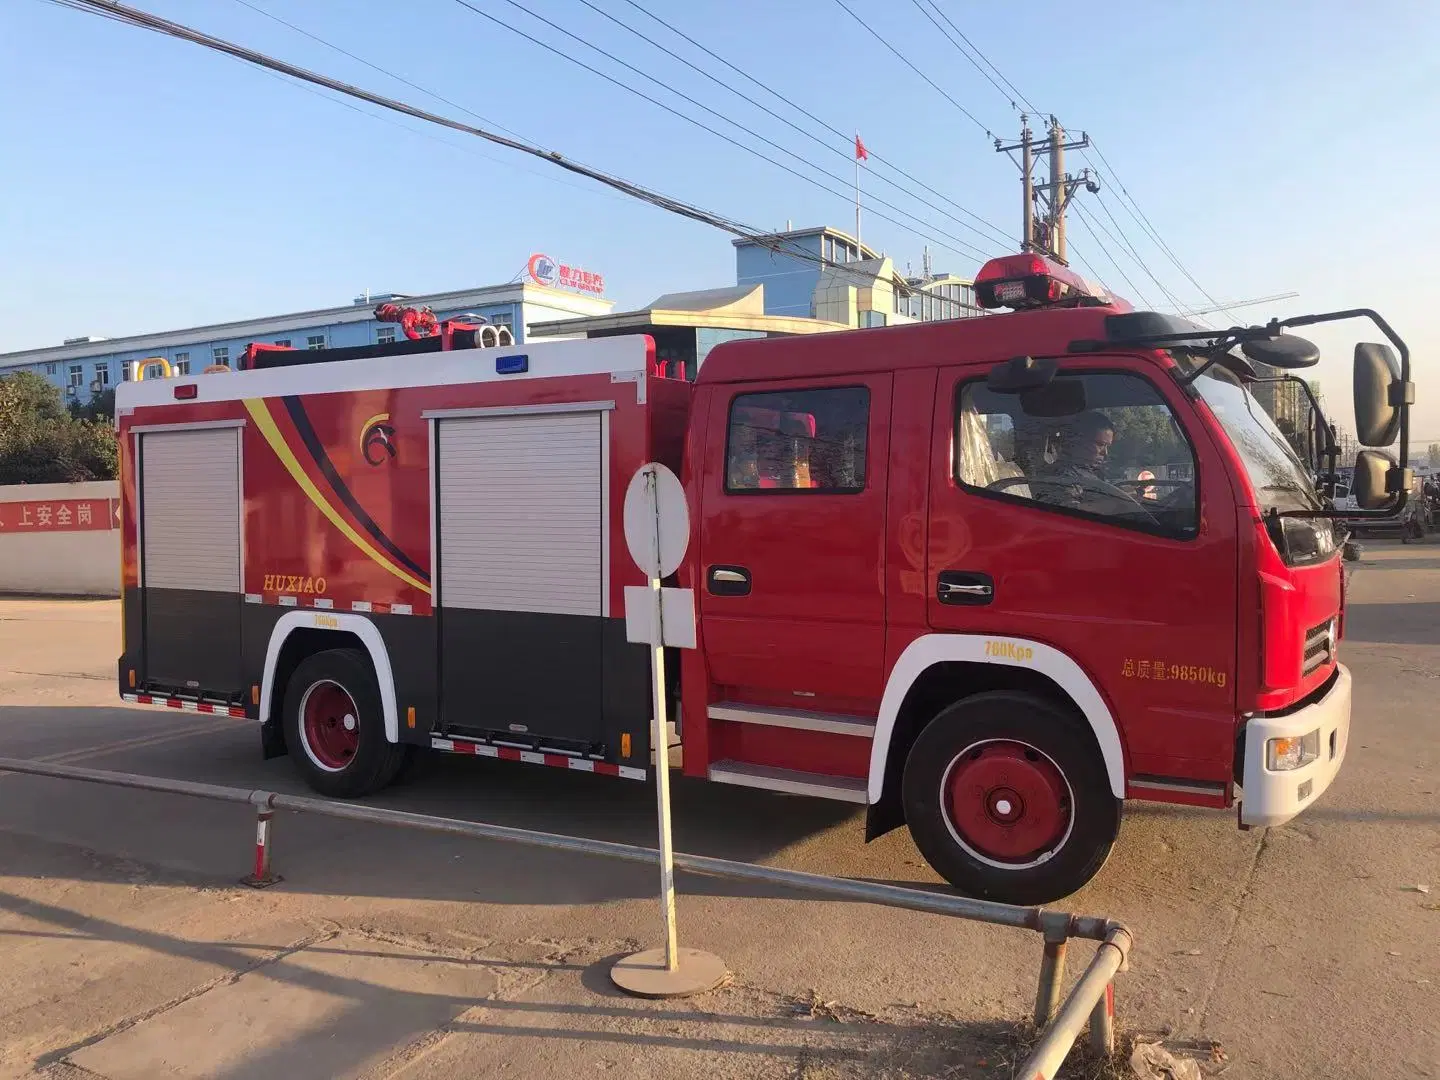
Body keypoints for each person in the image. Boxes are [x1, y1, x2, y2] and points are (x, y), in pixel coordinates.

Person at [1033, 411, 1116, 511]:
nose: (1105, 453)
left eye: (1107, 446)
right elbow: (1064, 511)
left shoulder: (1088, 472)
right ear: (1078, 441)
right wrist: (1114, 505)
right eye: (1100, 444)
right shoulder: (1061, 476)